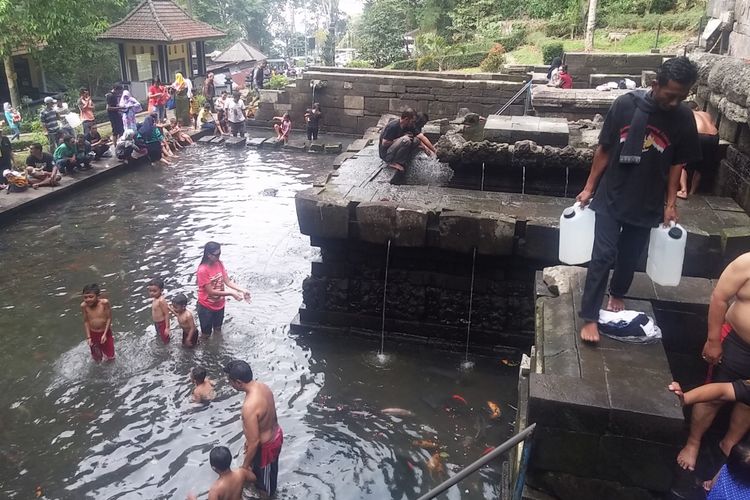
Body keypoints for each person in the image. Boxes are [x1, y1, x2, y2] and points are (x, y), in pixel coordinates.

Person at [575, 56, 701, 344]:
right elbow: (604, 149)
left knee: (631, 254)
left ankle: (618, 293)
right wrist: (589, 187)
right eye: (670, 96)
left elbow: (676, 164)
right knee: (603, 255)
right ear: (655, 85)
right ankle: (590, 316)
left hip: (648, 199)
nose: (674, 102)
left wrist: (671, 204)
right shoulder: (625, 105)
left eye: (681, 97)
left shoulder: (682, 118)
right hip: (613, 193)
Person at [675, 253, 750, 471]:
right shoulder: (746, 263)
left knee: (747, 403)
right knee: (713, 396)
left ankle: (729, 444)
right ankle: (693, 442)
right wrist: (713, 340)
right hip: (735, 340)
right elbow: (719, 297)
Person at [224, 359, 283, 497]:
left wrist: (244, 467)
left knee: (266, 487)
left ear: (238, 382)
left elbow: (255, 442)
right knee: (260, 476)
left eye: (230, 381)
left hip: (267, 447)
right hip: (274, 435)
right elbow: (272, 417)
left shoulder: (249, 406)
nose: (229, 384)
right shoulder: (263, 387)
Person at [196, 241, 251, 337]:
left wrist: (243, 290)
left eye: (220, 254)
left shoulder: (219, 264)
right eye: (217, 255)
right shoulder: (202, 270)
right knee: (206, 335)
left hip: (219, 305)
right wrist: (231, 293)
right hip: (206, 307)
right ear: (209, 255)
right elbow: (211, 292)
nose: (219, 257)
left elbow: (228, 282)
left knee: (218, 329)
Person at [679, 101, 719, 199]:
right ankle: (693, 192)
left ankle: (684, 190)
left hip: (698, 134)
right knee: (701, 166)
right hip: (714, 136)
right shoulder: (706, 114)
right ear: (697, 108)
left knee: (682, 163)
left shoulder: (689, 114)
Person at [186, 446, 255, 500]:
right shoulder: (241, 473)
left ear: (213, 467)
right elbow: (254, 478)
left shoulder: (215, 490)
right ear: (230, 460)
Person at [81, 283, 115, 363]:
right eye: (85, 297)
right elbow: (86, 321)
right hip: (93, 334)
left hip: (105, 333)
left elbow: (109, 318)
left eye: (91, 297)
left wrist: (105, 334)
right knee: (96, 358)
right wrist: (88, 337)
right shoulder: (84, 306)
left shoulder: (104, 303)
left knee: (110, 356)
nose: (88, 299)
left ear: (97, 296)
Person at [379, 108, 419, 172]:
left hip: (393, 149)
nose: (413, 124)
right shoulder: (393, 126)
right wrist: (400, 139)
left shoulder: (407, 125)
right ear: (406, 119)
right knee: (406, 140)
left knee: (416, 141)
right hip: (386, 154)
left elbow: (419, 136)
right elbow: (384, 143)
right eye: (412, 121)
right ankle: (392, 162)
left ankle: (403, 160)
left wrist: (426, 148)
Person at [147, 278, 170, 343]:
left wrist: (167, 327)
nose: (152, 293)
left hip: (162, 323)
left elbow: (166, 314)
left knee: (165, 339)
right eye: (150, 291)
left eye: (154, 291)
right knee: (159, 336)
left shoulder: (161, 300)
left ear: (161, 290)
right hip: (156, 323)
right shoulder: (155, 298)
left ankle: (168, 351)